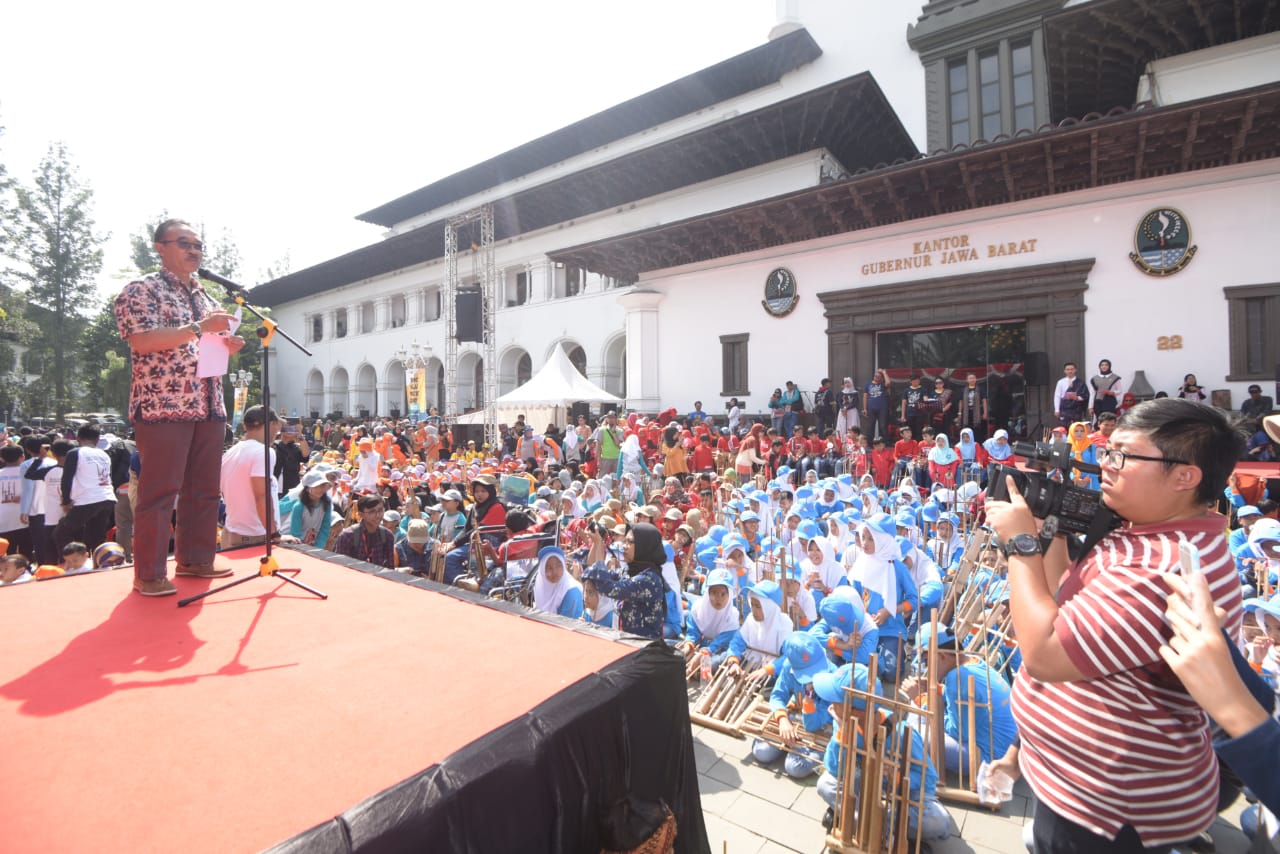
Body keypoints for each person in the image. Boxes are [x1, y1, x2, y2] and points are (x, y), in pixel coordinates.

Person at [985, 397, 1245, 852]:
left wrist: (1020, 544)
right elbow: (1068, 599)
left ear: (1186, 476)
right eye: (1107, 451)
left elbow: (1045, 654)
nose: (1106, 463)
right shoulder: (1156, 531)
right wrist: (1052, 532)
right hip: (1081, 785)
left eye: (1122, 455)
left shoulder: (1160, 566)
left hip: (1105, 807)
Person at [114, 218, 244, 597]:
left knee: (203, 489)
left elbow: (209, 338)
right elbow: (142, 341)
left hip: (208, 402)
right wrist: (199, 328)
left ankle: (196, 558)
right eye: (184, 243)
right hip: (162, 404)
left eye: (198, 245)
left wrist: (226, 344)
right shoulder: (141, 290)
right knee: (159, 492)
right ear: (160, 247)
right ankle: (149, 573)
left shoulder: (207, 297)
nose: (193, 251)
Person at [581, 522, 669, 640]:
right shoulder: (629, 572)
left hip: (644, 650)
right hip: (626, 644)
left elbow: (608, 588)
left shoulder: (649, 580)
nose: (624, 546)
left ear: (644, 546)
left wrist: (599, 544)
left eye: (630, 542)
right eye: (625, 541)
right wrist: (596, 543)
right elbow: (595, 573)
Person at [219, 406, 282, 549]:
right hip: (253, 536)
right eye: (277, 427)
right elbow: (262, 496)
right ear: (271, 424)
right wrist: (274, 534)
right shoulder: (263, 452)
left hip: (231, 531)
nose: (276, 433)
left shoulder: (231, 452)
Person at [54, 424, 117, 555]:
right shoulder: (104, 454)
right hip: (107, 497)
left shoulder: (75, 453)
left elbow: (67, 478)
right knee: (96, 536)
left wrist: (66, 500)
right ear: (98, 439)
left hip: (88, 499)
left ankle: (74, 563)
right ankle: (97, 563)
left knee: (61, 532)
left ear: (78, 438)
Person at [331, 494, 396, 569]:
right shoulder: (347, 536)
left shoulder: (387, 536)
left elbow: (390, 568)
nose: (378, 515)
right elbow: (341, 567)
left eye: (380, 510)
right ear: (361, 514)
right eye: (372, 512)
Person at [278, 469, 339, 548]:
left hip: (312, 546)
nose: (320, 489)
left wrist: (318, 547)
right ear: (307, 489)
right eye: (316, 486)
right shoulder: (299, 506)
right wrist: (304, 549)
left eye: (322, 486)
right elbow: (296, 533)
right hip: (293, 544)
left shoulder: (326, 504)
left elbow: (325, 528)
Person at [531, 546, 584, 619]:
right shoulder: (540, 587)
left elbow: (565, 625)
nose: (554, 572)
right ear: (542, 571)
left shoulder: (572, 592)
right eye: (549, 568)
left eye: (558, 566)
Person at [273, 421, 309, 498]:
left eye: (292, 429)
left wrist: (299, 434)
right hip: (275, 487)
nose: (289, 431)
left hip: (291, 487)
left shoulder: (295, 448)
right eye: (286, 428)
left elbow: (305, 456)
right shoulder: (274, 446)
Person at [1052, 361, 1091, 428]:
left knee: (1076, 428)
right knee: (1063, 428)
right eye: (1068, 369)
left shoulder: (1080, 382)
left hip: (1076, 409)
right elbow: (1057, 396)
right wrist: (1057, 410)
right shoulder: (1061, 382)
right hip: (1064, 409)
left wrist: (1077, 398)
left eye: (1072, 369)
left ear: (1075, 370)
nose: (1070, 371)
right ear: (1065, 371)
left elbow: (1085, 395)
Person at [955, 372, 988, 441]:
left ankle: (977, 444)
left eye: (973, 378)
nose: (972, 380)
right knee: (967, 428)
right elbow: (961, 402)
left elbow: (984, 401)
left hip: (978, 412)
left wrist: (985, 412)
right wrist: (959, 412)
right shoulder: (963, 390)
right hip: (966, 413)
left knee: (977, 429)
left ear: (976, 379)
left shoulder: (980, 389)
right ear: (967, 380)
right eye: (970, 378)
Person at [863, 370, 891, 443]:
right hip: (871, 409)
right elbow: (865, 397)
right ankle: (869, 444)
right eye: (876, 376)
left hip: (882, 409)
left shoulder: (882, 385)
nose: (877, 377)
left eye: (879, 376)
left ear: (881, 378)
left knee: (883, 426)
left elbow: (888, 383)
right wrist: (865, 409)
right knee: (870, 426)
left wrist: (884, 372)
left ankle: (884, 443)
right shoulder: (868, 384)